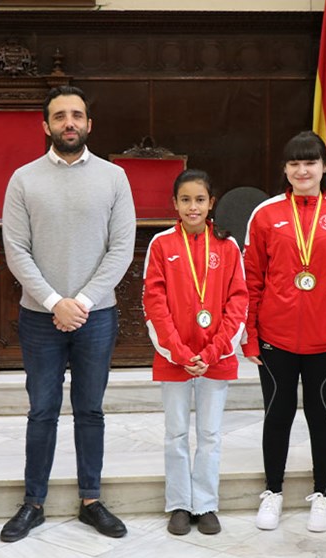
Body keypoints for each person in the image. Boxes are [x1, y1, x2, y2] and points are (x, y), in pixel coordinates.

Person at [0, 85, 136, 542]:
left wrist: (81, 303)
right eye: (60, 116)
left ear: (89, 124)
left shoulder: (114, 177)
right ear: (46, 125)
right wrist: (55, 301)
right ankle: (33, 502)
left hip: (96, 316)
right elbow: (16, 250)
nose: (69, 123)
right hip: (40, 317)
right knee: (42, 411)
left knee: (90, 410)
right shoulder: (23, 179)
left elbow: (121, 248)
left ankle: (91, 500)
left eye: (76, 115)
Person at [243, 131, 326, 533]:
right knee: (277, 415)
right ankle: (273, 492)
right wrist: (249, 335)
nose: (302, 170)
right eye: (294, 163)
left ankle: (323, 496)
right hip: (275, 338)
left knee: (322, 415)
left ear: (325, 166)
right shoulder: (265, 214)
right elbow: (251, 280)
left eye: (310, 162)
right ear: (285, 169)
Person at [142, 169, 248, 536]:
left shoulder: (227, 246)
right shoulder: (161, 245)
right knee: (175, 433)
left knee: (210, 433)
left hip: (215, 357)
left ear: (211, 203)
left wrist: (215, 350)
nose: (193, 207)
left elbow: (238, 301)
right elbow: (154, 303)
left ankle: (205, 504)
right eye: (185, 200)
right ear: (174, 203)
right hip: (175, 357)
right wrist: (180, 353)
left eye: (200, 200)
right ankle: (179, 503)